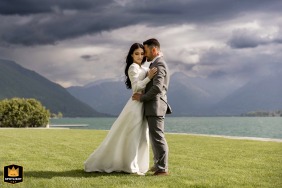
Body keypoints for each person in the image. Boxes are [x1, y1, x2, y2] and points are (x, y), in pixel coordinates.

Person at [84, 43, 158, 175]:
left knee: (142, 137)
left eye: (142, 53)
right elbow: (135, 88)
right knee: (133, 136)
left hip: (143, 104)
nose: (140, 56)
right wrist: (149, 78)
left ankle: (139, 165)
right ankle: (129, 166)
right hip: (135, 106)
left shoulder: (142, 67)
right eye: (136, 53)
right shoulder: (133, 67)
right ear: (131, 55)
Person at [132, 38, 170, 176]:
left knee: (158, 137)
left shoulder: (159, 64)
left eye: (146, 51)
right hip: (153, 107)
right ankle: (158, 164)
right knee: (154, 137)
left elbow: (157, 88)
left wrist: (142, 98)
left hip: (156, 106)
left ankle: (162, 169)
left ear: (154, 50)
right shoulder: (156, 63)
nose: (144, 55)